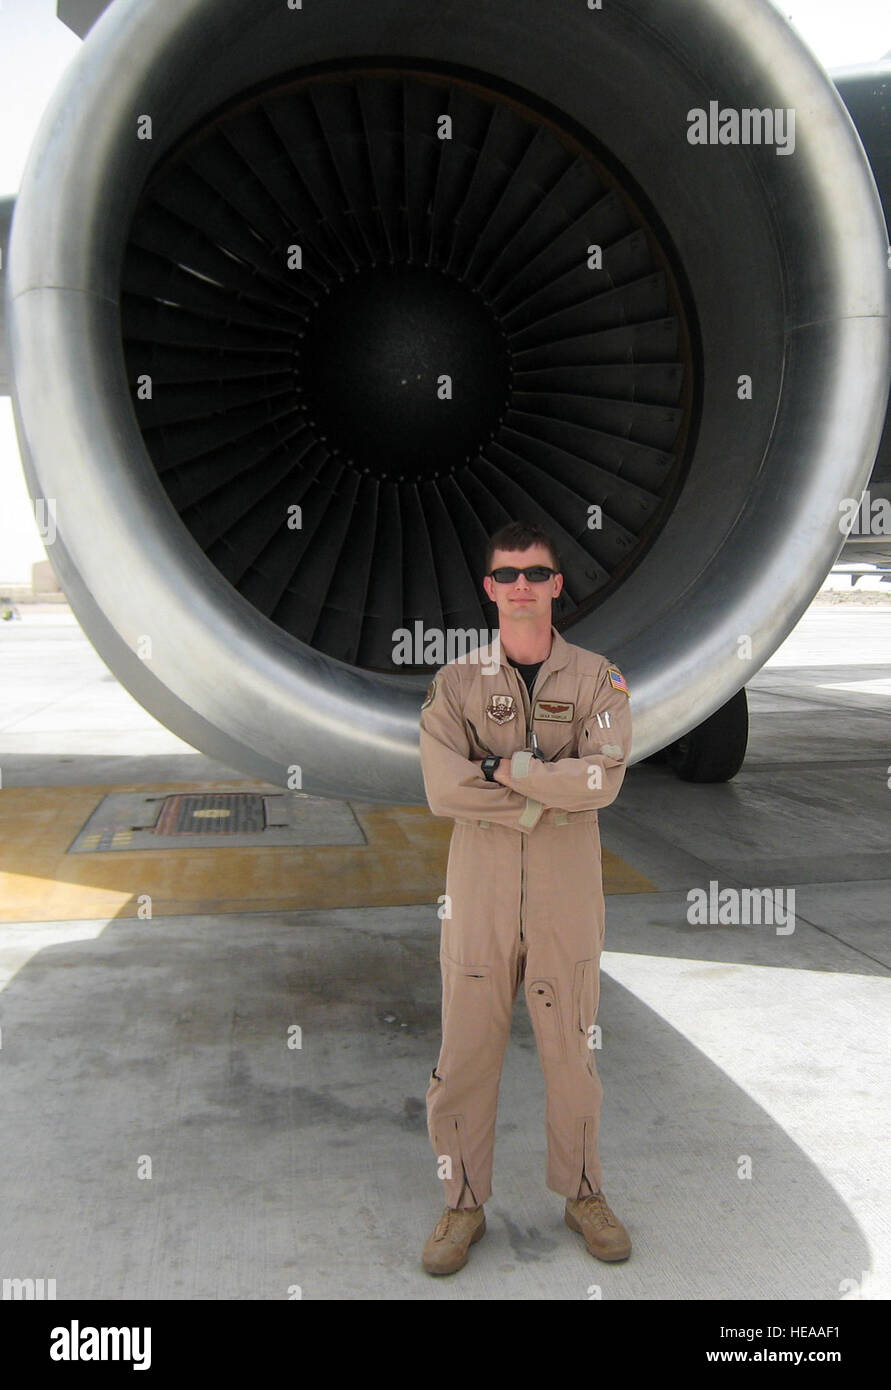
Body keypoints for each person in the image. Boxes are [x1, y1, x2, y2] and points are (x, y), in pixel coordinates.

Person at [417, 519, 633, 1275]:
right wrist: (548, 787)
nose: (519, 587)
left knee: (571, 1054)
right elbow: (443, 789)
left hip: (564, 899)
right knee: (464, 1058)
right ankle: (460, 1204)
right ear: (488, 587)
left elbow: (604, 778)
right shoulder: (455, 683)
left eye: (533, 574)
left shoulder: (597, 679)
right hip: (478, 897)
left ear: (554, 585)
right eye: (505, 574)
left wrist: (501, 769)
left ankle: (582, 1194)